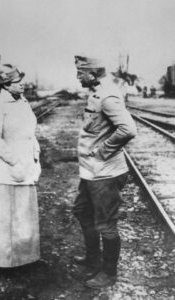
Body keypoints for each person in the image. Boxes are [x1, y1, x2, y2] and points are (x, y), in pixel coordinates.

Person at [72, 55, 137, 288]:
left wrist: (102, 151)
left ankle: (109, 274)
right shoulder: (97, 92)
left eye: (81, 72)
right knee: (82, 211)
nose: (78, 76)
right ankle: (93, 259)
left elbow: (128, 129)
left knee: (106, 224)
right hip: (92, 172)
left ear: (92, 73)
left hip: (106, 173)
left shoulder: (107, 96)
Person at [0, 64, 41, 270]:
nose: (23, 84)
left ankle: (27, 259)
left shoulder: (23, 102)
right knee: (6, 219)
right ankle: (4, 264)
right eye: (18, 81)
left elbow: (30, 132)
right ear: (7, 85)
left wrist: (36, 156)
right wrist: (14, 161)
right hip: (6, 170)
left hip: (26, 166)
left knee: (25, 214)